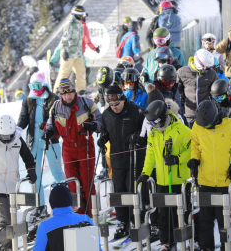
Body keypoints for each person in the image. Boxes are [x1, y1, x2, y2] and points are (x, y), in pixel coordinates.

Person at [188, 100, 231, 251]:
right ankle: (206, 248)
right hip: (205, 180)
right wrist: (194, 159)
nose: (206, 128)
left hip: (225, 182)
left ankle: (228, 248)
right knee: (205, 221)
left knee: (226, 221)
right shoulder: (197, 125)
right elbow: (195, 145)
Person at [137, 100, 191, 251]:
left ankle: (182, 241)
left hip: (179, 180)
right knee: (163, 213)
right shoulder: (154, 133)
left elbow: (193, 149)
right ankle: (166, 241)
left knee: (180, 212)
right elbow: (150, 154)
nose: (153, 126)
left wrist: (178, 159)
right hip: (162, 180)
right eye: (151, 124)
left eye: (155, 123)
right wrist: (145, 173)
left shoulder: (182, 130)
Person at [42, 78, 102, 215]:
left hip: (85, 146)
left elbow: (100, 121)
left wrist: (93, 126)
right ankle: (78, 214)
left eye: (70, 93)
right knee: (72, 185)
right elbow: (51, 124)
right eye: (64, 94)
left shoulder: (87, 103)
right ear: (61, 94)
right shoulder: (56, 107)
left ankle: (91, 214)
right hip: (67, 149)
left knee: (87, 183)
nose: (68, 97)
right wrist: (49, 132)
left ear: (74, 92)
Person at [97, 84, 145, 240]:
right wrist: (103, 138)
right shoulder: (106, 114)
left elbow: (146, 132)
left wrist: (137, 136)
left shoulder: (136, 111)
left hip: (134, 158)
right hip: (117, 160)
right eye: (111, 104)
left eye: (116, 103)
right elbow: (105, 131)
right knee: (119, 192)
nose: (114, 107)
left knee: (133, 189)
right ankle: (122, 221)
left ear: (122, 99)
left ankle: (136, 219)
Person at [17, 71, 65, 218]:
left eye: (38, 85)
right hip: (34, 138)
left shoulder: (54, 99)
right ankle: (40, 205)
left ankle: (65, 202)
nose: (35, 89)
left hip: (49, 137)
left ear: (44, 85)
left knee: (56, 170)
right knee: (35, 173)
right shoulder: (28, 100)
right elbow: (23, 118)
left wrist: (49, 127)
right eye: (33, 86)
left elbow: (59, 119)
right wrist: (16, 130)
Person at [0, 115, 36, 250]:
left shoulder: (17, 140)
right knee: (5, 221)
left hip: (12, 186)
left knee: (11, 221)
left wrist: (31, 170)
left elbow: (28, 156)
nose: (6, 139)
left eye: (8, 136)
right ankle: (0, 244)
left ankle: (4, 244)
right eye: (3, 136)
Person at [33, 184, 99, 251]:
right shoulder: (85, 219)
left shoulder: (45, 227)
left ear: (51, 203)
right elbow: (97, 246)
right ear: (71, 200)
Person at [53, 5, 100, 92]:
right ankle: (57, 92)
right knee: (64, 73)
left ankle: (81, 91)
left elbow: (84, 40)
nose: (84, 17)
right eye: (83, 15)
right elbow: (64, 39)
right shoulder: (70, 24)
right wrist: (64, 52)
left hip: (78, 54)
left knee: (81, 73)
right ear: (78, 15)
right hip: (69, 54)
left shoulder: (80, 25)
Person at [177, 49, 218, 128]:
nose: (209, 70)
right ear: (200, 65)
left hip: (206, 114)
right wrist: (181, 106)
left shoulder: (212, 74)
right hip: (189, 114)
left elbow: (215, 93)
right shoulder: (182, 72)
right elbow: (178, 91)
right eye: (207, 68)